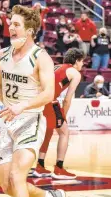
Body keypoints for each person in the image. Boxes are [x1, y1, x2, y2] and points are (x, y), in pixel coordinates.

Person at [0, 5, 66, 197]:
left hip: (31, 121)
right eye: (11, 23)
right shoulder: (3, 54)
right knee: (6, 183)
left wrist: (22, 106)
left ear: (29, 30)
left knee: (18, 176)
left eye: (17, 24)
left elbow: (49, 93)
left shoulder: (41, 57)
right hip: (9, 123)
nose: (11, 27)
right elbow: (0, 87)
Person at [33, 48, 83, 179]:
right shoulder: (75, 73)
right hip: (49, 101)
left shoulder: (57, 66)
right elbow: (67, 98)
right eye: (82, 61)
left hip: (38, 99)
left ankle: (40, 166)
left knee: (48, 131)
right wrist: (63, 117)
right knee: (64, 132)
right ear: (76, 61)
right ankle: (59, 168)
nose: (82, 65)